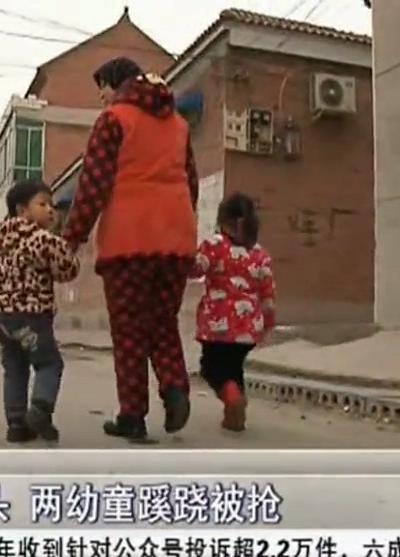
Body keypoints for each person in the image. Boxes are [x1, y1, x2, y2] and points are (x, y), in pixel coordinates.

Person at [62, 57, 200, 440]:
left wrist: (72, 238)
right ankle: (175, 387)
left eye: (102, 88)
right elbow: (190, 184)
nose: (101, 97)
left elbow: (94, 184)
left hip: (128, 241)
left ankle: (133, 416)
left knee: (129, 331)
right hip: (175, 240)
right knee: (162, 322)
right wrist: (183, 230)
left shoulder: (113, 120)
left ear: (116, 83)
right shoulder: (179, 124)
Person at [0, 179, 80, 443]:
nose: (50, 210)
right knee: (49, 362)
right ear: (22, 210)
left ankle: (16, 425)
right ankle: (40, 410)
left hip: (1, 320)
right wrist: (63, 243)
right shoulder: (41, 239)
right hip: (31, 316)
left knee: (14, 369)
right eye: (43, 204)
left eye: (52, 205)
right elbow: (68, 269)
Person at [190, 193, 276, 431]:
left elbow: (195, 269)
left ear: (223, 220)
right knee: (233, 367)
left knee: (211, 368)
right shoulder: (260, 255)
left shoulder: (214, 246)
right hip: (248, 327)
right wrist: (268, 323)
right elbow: (268, 295)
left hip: (218, 325)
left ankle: (233, 399)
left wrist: (183, 256)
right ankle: (234, 415)